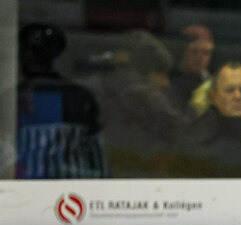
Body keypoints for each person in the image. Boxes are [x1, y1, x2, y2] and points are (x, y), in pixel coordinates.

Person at [16, 22, 107, 179]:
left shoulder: (77, 96)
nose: (29, 57)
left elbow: (95, 153)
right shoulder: (12, 98)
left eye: (36, 52)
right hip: (19, 194)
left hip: (72, 192)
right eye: (28, 51)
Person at [94, 29, 188, 177]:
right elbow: (183, 131)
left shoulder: (101, 89)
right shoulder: (146, 96)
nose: (166, 83)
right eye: (161, 73)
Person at [168, 24, 215, 114]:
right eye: (194, 51)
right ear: (182, 51)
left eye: (206, 52)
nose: (200, 58)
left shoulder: (214, 83)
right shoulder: (168, 80)